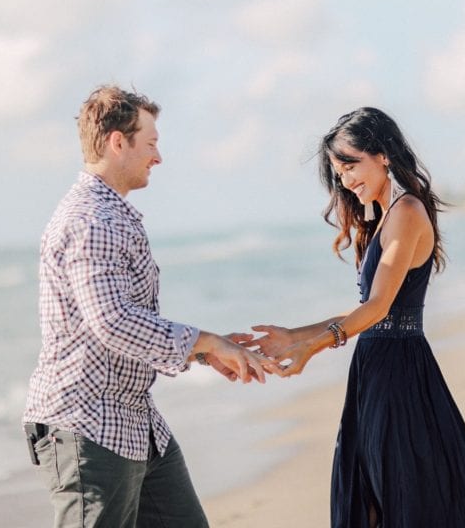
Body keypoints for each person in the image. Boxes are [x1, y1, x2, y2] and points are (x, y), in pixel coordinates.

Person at [22, 84, 282, 528]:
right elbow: (112, 321)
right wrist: (208, 343)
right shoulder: (92, 220)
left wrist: (202, 351)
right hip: (88, 427)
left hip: (135, 423)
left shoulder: (110, 213)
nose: (158, 157)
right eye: (151, 143)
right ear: (117, 142)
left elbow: (117, 324)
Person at [246, 107, 465, 528]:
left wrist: (311, 347)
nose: (347, 180)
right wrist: (293, 335)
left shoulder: (406, 212)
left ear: (382, 154)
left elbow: (379, 308)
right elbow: (368, 312)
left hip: (399, 374)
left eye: (351, 165)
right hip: (376, 367)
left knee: (400, 492)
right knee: (376, 489)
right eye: (339, 173)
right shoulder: (385, 217)